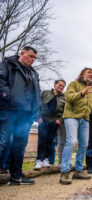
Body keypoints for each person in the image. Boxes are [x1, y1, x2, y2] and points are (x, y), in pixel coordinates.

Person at [59, 67, 92, 185]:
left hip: (85, 119)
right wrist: (82, 93)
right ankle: (64, 172)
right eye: (89, 72)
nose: (91, 74)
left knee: (84, 145)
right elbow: (68, 98)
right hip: (72, 116)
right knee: (71, 142)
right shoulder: (74, 84)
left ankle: (78, 171)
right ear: (82, 74)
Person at [0, 46, 41, 185]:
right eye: (30, 56)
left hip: (26, 115)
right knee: (3, 142)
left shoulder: (34, 73)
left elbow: (37, 94)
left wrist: (36, 112)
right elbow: (1, 82)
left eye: (35, 58)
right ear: (22, 53)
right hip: (8, 111)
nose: (33, 60)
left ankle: (16, 176)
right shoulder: (7, 65)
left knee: (20, 145)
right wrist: (10, 97)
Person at [34, 79, 66, 170]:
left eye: (63, 86)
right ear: (55, 84)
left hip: (54, 122)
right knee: (42, 140)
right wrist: (38, 116)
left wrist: (60, 120)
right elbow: (37, 104)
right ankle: (39, 160)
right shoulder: (45, 93)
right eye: (60, 85)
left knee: (50, 141)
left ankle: (46, 159)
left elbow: (65, 111)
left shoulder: (63, 98)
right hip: (43, 120)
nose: (61, 87)